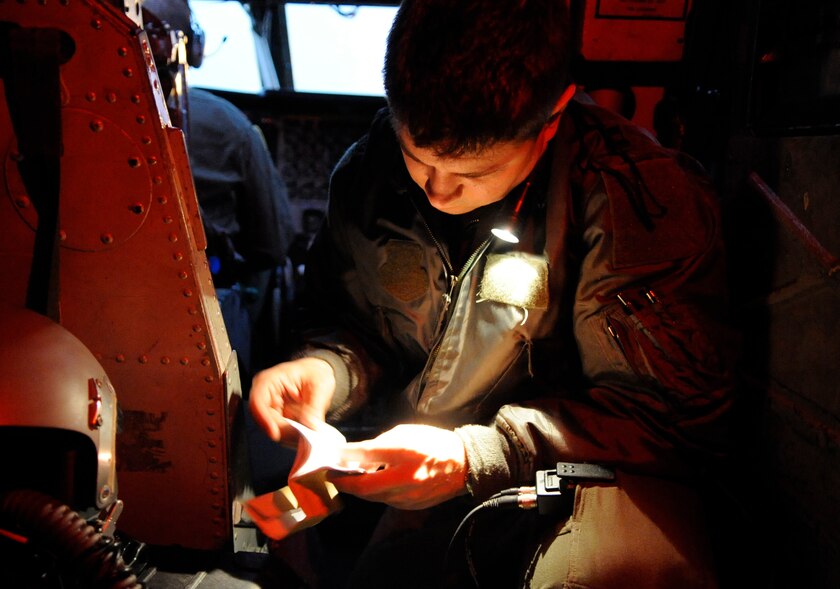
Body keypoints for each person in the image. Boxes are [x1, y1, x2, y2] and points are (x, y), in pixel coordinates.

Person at [249, 0, 738, 587]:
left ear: (552, 116)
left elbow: (667, 421)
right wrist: (329, 369)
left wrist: (478, 457)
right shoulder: (368, 175)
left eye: (473, 174)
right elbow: (344, 316)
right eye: (417, 157)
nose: (436, 191)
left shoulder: (637, 205)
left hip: (550, 482)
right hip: (400, 466)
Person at [144, 0, 296, 378]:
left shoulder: (70, 116)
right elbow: (273, 244)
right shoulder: (230, 126)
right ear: (190, 47)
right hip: (200, 320)